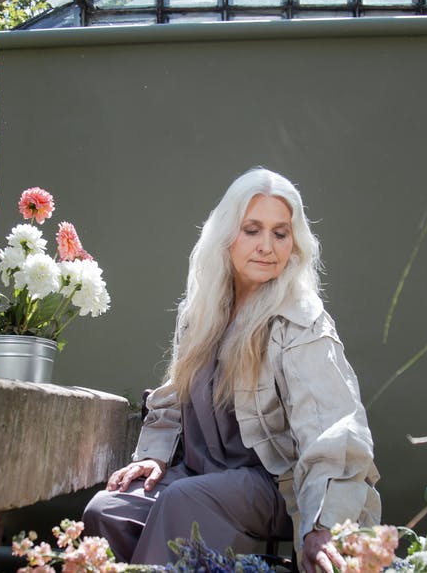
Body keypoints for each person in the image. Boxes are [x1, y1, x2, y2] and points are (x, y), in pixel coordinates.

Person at [82, 168, 380, 573]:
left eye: (280, 233)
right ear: (226, 235)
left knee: (183, 501)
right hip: (198, 474)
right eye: (252, 229)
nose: (267, 246)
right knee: (108, 509)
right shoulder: (201, 312)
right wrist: (155, 458)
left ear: (295, 244)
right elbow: (174, 393)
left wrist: (325, 525)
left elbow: (333, 428)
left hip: (275, 485)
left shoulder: (302, 320)